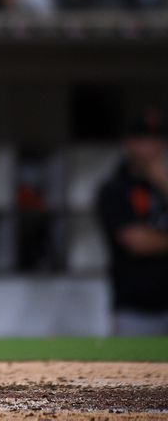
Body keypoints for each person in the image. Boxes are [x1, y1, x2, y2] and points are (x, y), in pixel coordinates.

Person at [96, 109, 168, 335]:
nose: (152, 147)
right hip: (135, 308)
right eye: (143, 139)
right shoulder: (115, 188)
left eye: (157, 139)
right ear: (128, 144)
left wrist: (164, 182)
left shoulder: (163, 186)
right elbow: (137, 242)